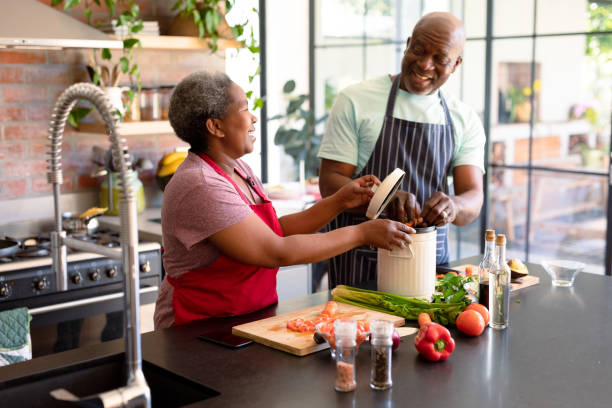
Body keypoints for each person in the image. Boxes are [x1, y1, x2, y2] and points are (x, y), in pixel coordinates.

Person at [154, 71, 414, 329]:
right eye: (244, 109)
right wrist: (362, 233)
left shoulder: (239, 169)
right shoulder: (202, 184)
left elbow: (273, 232)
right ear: (215, 126)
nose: (253, 117)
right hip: (199, 327)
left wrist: (338, 202)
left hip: (247, 317)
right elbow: (275, 251)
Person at [317, 12, 485, 288]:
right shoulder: (356, 100)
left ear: (456, 64)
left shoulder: (463, 118)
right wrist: (382, 197)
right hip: (360, 266)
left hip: (431, 265)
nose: (424, 64)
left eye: (439, 59)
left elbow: (473, 198)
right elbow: (330, 182)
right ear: (407, 44)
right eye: (418, 49)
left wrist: (453, 206)